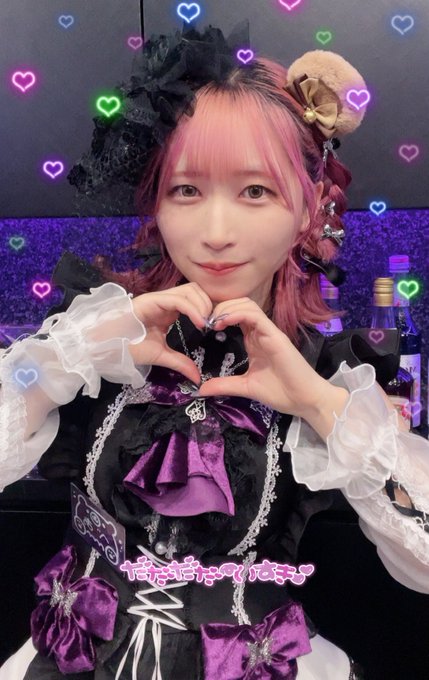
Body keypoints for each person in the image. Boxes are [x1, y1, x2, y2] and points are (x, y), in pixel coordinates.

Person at [0, 20, 428, 680]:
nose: (216, 231)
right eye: (186, 190)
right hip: (71, 659)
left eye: (255, 191)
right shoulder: (96, 332)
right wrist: (72, 353)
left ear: (308, 208)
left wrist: (322, 407)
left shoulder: (327, 374)